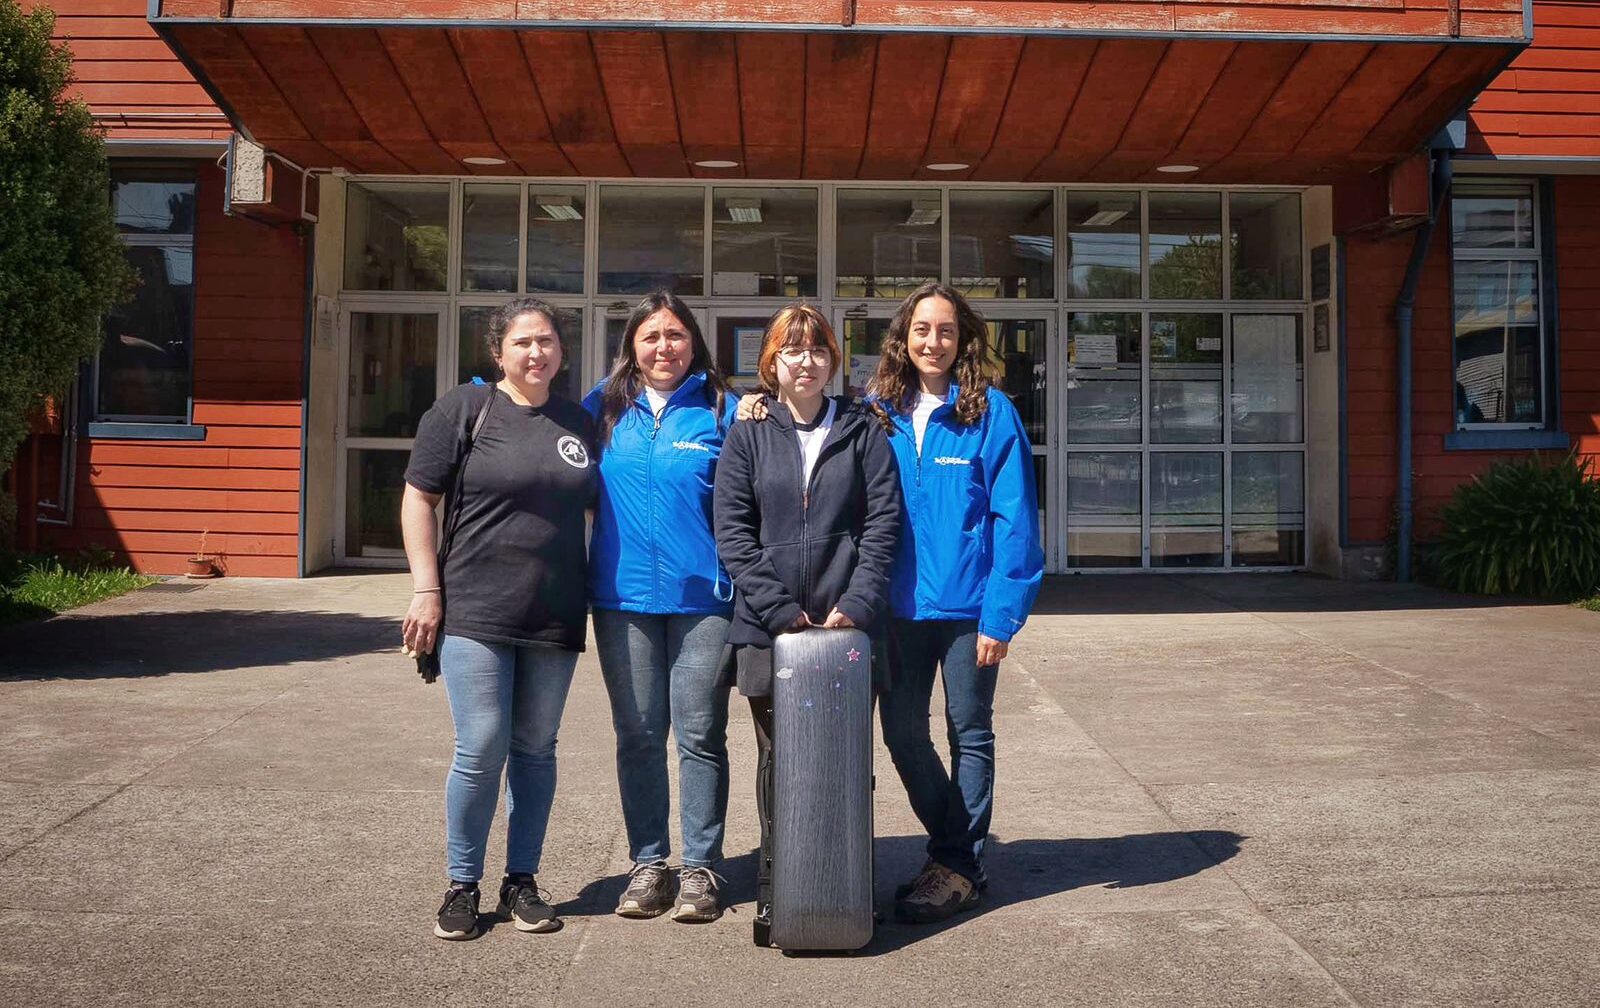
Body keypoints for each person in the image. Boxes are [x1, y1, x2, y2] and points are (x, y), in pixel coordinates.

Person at [400, 297, 596, 942]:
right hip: (476, 608)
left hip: (556, 613)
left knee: (536, 750)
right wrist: (426, 589)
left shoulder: (578, 422)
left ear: (561, 351)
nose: (536, 353)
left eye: (546, 342)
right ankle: (462, 882)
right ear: (498, 352)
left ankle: (522, 881)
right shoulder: (464, 409)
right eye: (523, 343)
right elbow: (418, 499)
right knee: (482, 745)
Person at [712, 303, 901, 940]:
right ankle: (778, 886)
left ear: (832, 360)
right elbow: (733, 533)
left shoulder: (862, 428)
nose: (806, 361)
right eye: (792, 350)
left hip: (849, 629)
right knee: (779, 761)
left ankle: (846, 883)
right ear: (771, 360)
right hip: (770, 630)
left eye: (818, 349)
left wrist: (857, 605)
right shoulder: (748, 430)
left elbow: (882, 526)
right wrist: (782, 612)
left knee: (845, 760)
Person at [869, 282, 1044, 924]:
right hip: (896, 610)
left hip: (970, 610)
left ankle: (958, 867)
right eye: (921, 329)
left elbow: (1015, 518)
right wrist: (752, 404)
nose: (932, 341)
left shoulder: (990, 412)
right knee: (902, 733)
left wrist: (1003, 613)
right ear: (903, 338)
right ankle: (959, 853)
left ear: (963, 340)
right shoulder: (877, 410)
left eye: (945, 330)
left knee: (969, 733)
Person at [582, 292, 739, 923]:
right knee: (640, 736)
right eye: (650, 337)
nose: (663, 347)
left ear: (693, 343)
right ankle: (649, 864)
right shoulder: (602, 409)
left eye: (675, 335)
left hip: (705, 601)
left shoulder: (721, 409)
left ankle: (702, 868)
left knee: (700, 733)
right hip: (621, 600)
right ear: (632, 346)